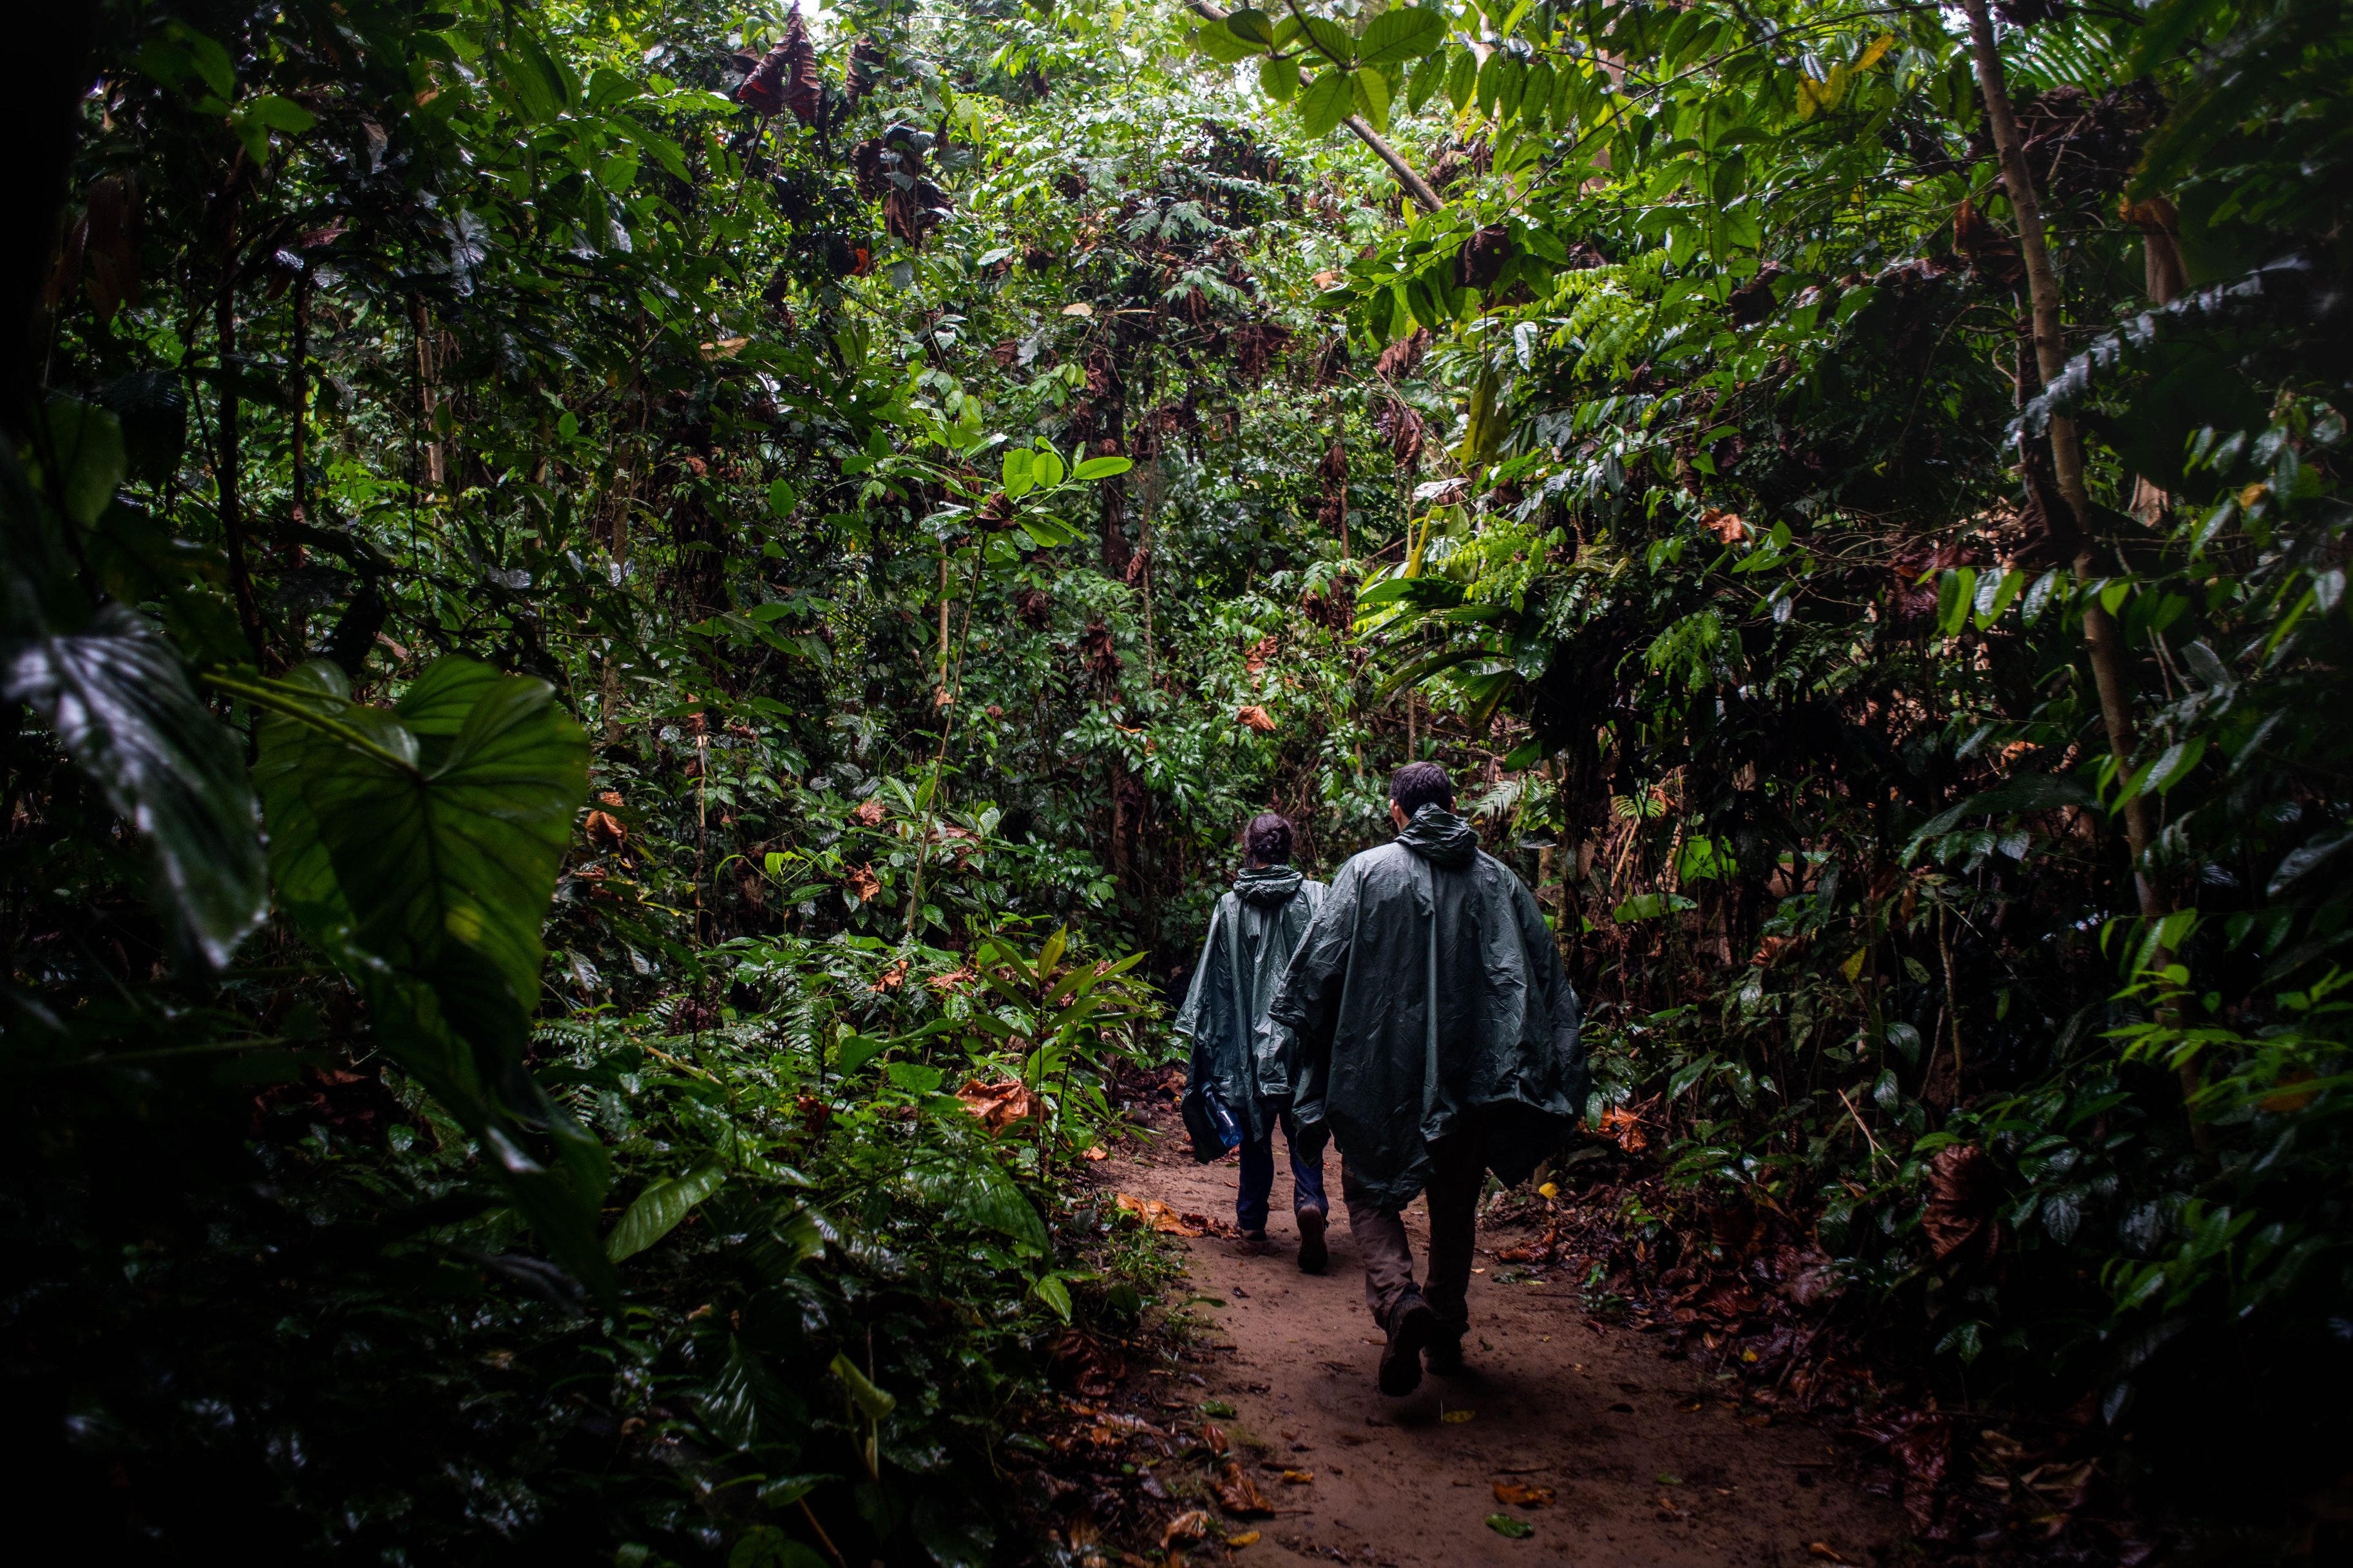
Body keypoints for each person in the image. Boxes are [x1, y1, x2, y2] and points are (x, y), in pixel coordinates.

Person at [1260, 762, 1586, 1395]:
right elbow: (1541, 979)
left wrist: (1304, 1056)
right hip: (1471, 1079)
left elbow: (1315, 972)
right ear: (1453, 805)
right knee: (1454, 1203)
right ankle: (1443, 1330)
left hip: (1375, 1072)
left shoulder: (1364, 873)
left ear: (1395, 810)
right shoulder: (1498, 880)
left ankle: (1397, 1296)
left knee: (1367, 1190)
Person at [1172, 812, 1332, 1268]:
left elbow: (1213, 984)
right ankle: (1311, 1201)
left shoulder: (1229, 905)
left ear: (1249, 848)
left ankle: (1251, 1221)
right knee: (1304, 1125)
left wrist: (1209, 1044)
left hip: (1246, 1045)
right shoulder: (1317, 897)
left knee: (1256, 1133)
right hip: (1300, 1040)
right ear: (1287, 847)